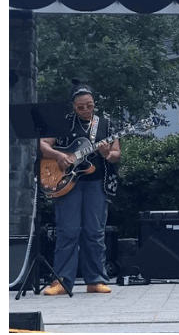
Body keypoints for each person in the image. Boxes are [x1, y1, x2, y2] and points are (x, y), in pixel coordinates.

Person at [40, 80, 121, 295]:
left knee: (94, 232)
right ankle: (61, 281)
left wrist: (106, 154)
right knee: (68, 231)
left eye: (89, 105)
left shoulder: (106, 124)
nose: (85, 110)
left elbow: (116, 154)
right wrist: (58, 156)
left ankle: (95, 279)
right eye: (80, 107)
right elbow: (42, 144)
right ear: (73, 106)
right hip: (67, 183)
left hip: (96, 184)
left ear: (94, 103)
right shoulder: (62, 121)